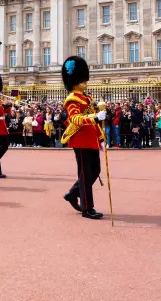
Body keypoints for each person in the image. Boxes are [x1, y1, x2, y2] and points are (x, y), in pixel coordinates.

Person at [61, 56, 106, 220]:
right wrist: (95, 117)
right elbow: (75, 119)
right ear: (75, 81)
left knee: (95, 171)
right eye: (82, 80)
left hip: (91, 140)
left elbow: (94, 123)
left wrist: (101, 138)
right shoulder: (72, 99)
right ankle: (87, 208)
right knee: (85, 174)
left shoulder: (87, 98)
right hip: (80, 140)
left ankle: (73, 193)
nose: (85, 82)